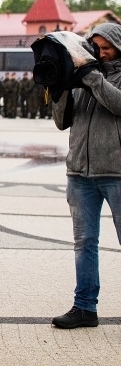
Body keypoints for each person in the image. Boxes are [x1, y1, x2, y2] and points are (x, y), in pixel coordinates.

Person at [51, 23, 121, 329]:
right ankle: (84, 307)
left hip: (117, 173)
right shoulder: (82, 77)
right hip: (79, 172)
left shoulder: (100, 75)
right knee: (84, 243)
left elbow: (118, 105)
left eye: (107, 48)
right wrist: (62, 85)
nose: (102, 53)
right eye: (97, 48)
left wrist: (92, 77)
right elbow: (60, 122)